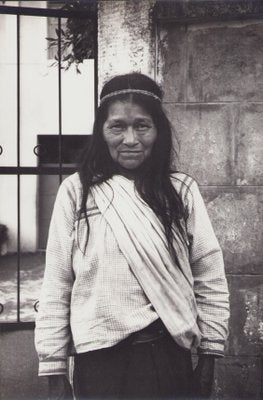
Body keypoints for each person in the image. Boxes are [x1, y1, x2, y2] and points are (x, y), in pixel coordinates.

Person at [35, 72, 229, 400]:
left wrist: (209, 358)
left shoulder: (181, 192)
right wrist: (54, 372)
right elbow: (57, 285)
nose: (130, 139)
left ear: (158, 131)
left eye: (142, 126)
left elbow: (209, 278)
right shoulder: (77, 192)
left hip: (167, 357)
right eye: (117, 126)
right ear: (101, 131)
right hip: (99, 362)